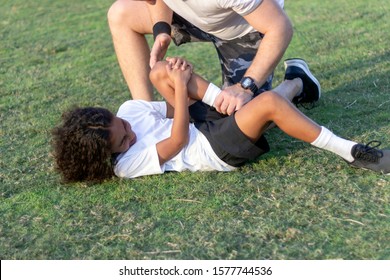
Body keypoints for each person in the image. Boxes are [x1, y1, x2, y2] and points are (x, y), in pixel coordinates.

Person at [51, 57, 390, 183]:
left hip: (198, 119)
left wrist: (173, 81)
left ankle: (295, 83)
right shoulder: (125, 164)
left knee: (159, 71)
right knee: (269, 103)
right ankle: (351, 152)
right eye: (122, 142)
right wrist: (182, 90)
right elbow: (177, 140)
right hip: (212, 148)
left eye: (123, 128)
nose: (129, 135)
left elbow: (170, 112)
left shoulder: (128, 111)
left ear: (112, 115)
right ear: (109, 155)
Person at [107, 0, 303, 115]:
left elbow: (280, 27)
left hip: (247, 28)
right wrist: (161, 29)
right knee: (120, 13)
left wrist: (245, 87)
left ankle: (296, 82)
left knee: (242, 117)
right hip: (199, 16)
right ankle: (146, 112)